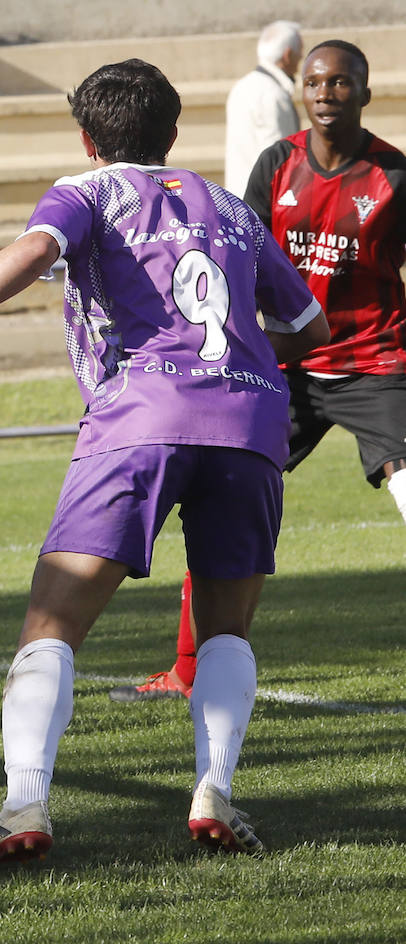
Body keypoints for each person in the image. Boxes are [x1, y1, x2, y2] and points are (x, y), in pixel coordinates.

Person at [0, 58, 327, 868]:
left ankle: (24, 804)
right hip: (251, 421)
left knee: (52, 628)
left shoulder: (87, 193)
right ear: (174, 133)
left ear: (87, 138)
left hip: (142, 418)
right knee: (225, 628)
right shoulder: (229, 206)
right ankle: (214, 792)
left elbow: (35, 249)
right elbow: (309, 324)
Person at [112, 40, 406, 705]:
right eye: (315, 82)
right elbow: (242, 255)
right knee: (220, 495)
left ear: (365, 92)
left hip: (373, 362)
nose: (327, 93)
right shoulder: (279, 164)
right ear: (301, 90)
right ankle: (187, 671)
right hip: (283, 364)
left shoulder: (395, 175)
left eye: (341, 83)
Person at [224, 20, 302, 197]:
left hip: (238, 198)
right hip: (263, 204)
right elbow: (280, 161)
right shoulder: (273, 94)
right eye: (300, 55)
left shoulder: (241, 87)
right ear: (288, 55)